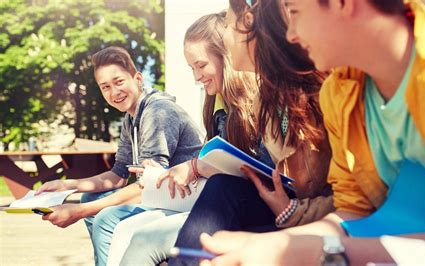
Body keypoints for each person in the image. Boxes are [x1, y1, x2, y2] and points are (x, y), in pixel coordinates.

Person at [198, 0, 425, 265]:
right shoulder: (340, 93)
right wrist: (269, 245)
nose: (290, 34)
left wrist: (310, 252)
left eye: (294, 12)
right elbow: (352, 210)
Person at [169, 0, 335, 265]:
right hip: (283, 205)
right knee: (222, 189)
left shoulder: (319, 90)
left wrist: (292, 211)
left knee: (222, 216)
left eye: (229, 29)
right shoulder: (266, 98)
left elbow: (347, 196)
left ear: (251, 26)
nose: (226, 37)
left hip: (307, 211)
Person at [105, 12, 260, 266]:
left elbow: (244, 168)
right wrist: (162, 174)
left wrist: (194, 167)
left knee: (144, 237)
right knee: (125, 228)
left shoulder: (257, 102)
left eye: (201, 66)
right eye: (192, 68)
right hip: (207, 198)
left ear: (226, 57)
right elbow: (214, 159)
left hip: (237, 202)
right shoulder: (216, 104)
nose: (196, 77)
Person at [38, 46, 203, 266]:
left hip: (187, 196)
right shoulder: (130, 118)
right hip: (162, 194)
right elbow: (118, 175)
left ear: (137, 78)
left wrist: (78, 211)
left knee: (106, 218)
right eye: (105, 87)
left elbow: (149, 185)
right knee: (91, 198)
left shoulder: (158, 112)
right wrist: (66, 186)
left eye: (119, 82)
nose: (114, 92)